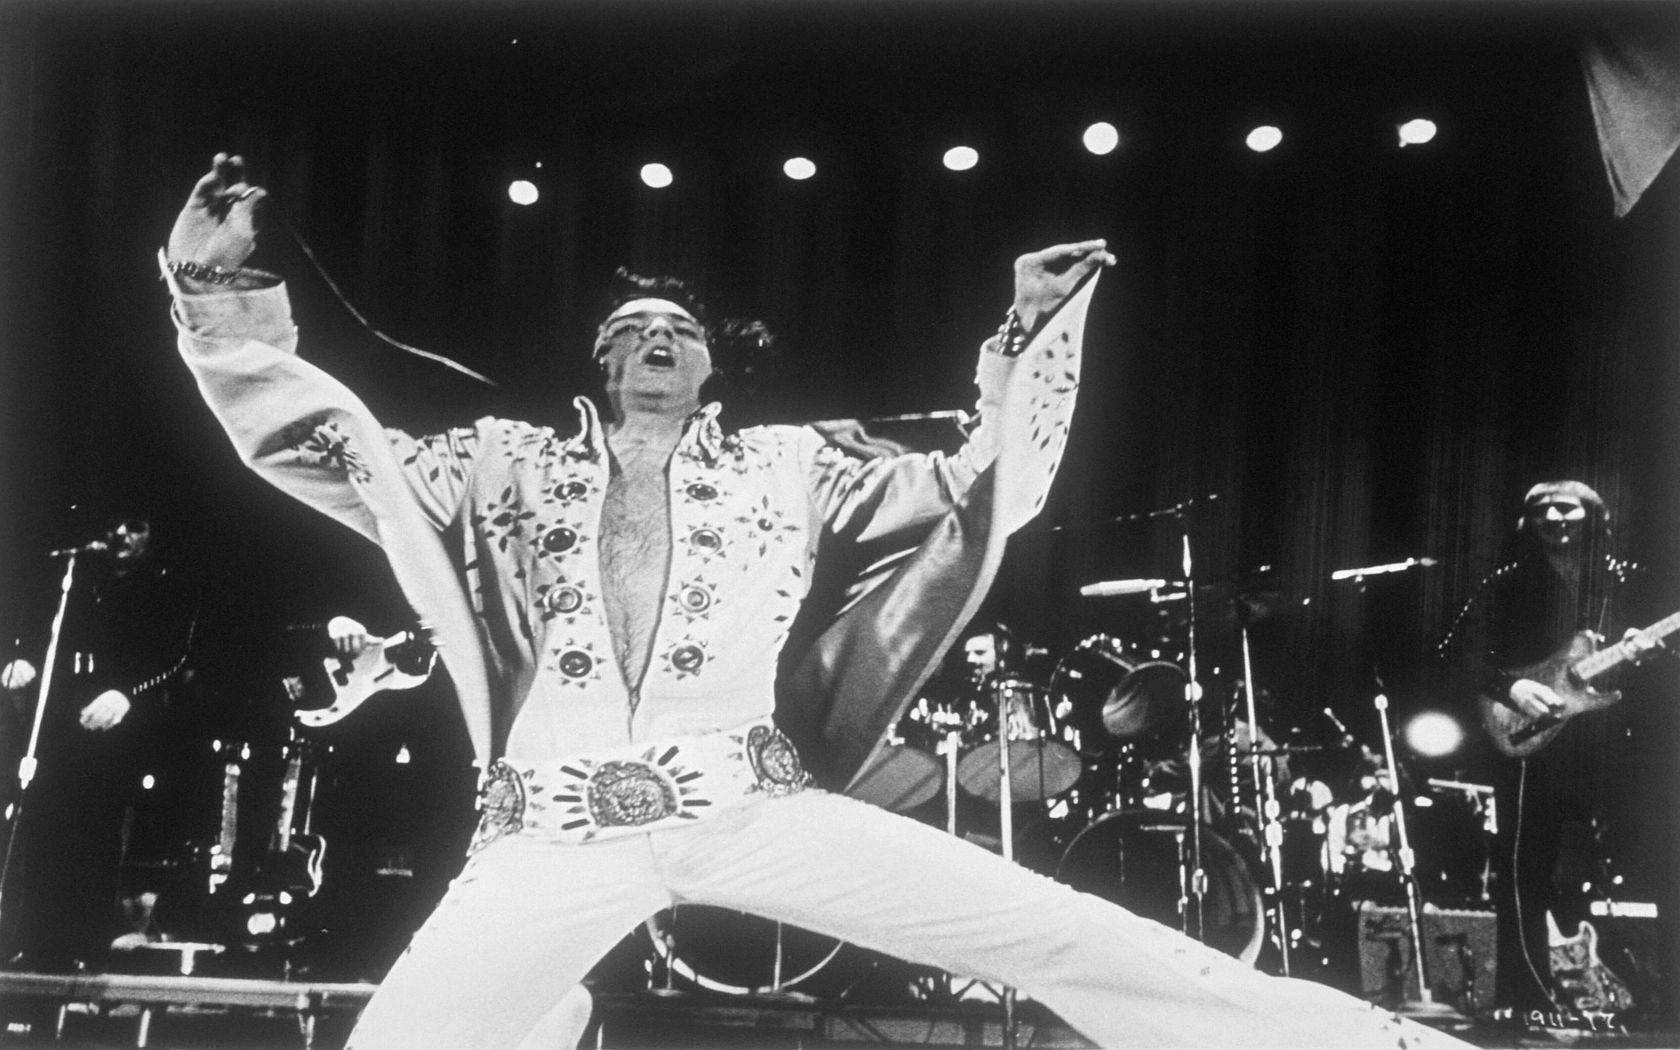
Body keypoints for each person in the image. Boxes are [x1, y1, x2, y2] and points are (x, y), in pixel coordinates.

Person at [162, 152, 1471, 1049]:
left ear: (713, 362)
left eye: (680, 326)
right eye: (633, 329)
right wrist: (220, 298)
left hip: (746, 801)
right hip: (546, 828)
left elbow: (981, 490)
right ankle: (534, 1014)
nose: (657, 338)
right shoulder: (498, 459)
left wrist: (1029, 334)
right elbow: (324, 447)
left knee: (1052, 924)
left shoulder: (796, 463)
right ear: (598, 360)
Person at [1438, 481, 1673, 1020]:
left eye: (1566, 508)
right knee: (1525, 868)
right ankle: (1527, 1005)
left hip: (1617, 738)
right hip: (1531, 735)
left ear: (1594, 516)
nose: (1554, 516)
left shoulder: (1627, 580)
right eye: (1541, 510)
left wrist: (1650, 650)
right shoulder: (1508, 583)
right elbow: (1453, 652)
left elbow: (1664, 645)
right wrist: (1511, 689)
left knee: (1657, 857)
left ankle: (1665, 1005)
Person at [0, 514, 198, 972]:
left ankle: (85, 950)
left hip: (132, 722)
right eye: (113, 525)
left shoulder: (168, 585)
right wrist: (18, 661)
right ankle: (34, 945)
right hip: (59, 716)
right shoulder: (72, 578)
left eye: (135, 527)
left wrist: (128, 692)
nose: (121, 536)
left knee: (96, 830)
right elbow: (31, 633)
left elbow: (177, 653)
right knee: (41, 819)